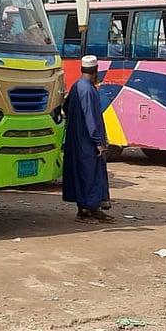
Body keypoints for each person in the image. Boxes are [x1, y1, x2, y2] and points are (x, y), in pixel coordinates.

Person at [63, 55, 113, 224]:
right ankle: (84, 212)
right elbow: (91, 119)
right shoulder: (88, 91)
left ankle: (94, 209)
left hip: (77, 140)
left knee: (88, 174)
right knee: (88, 175)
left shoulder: (77, 86)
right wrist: (98, 142)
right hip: (87, 142)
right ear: (95, 71)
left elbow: (65, 107)